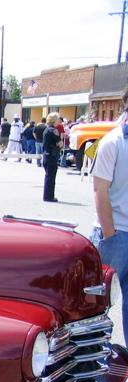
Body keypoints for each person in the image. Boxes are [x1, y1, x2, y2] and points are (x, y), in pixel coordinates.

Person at [90, 86, 128, 342]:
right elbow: (100, 191)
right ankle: (91, 369)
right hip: (115, 236)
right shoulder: (113, 141)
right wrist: (110, 234)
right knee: (95, 308)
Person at [41, 112, 63, 202]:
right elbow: (60, 143)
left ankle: (48, 195)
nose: (59, 121)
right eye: (58, 119)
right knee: (51, 177)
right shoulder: (54, 130)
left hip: (46, 155)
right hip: (52, 155)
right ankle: (49, 196)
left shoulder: (47, 129)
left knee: (48, 176)